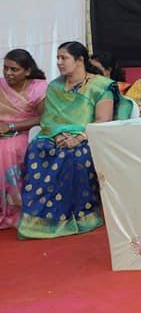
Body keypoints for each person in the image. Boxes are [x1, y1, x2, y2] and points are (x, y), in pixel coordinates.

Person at [17, 41, 114, 239]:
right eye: (58, 58)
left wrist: (79, 138)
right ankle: (40, 221)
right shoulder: (54, 86)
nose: (59, 62)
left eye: (64, 58)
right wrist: (58, 134)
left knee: (75, 156)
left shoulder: (100, 86)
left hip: (88, 137)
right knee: (37, 149)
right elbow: (48, 120)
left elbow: (103, 120)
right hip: (54, 136)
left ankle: (82, 217)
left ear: (79, 60)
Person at [1, 49, 47, 229]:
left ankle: (16, 207)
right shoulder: (1, 85)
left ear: (27, 71)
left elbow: (43, 118)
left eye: (14, 69)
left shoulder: (38, 87)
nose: (8, 73)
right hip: (2, 130)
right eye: (5, 68)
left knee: (7, 150)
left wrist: (12, 127)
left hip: (25, 132)